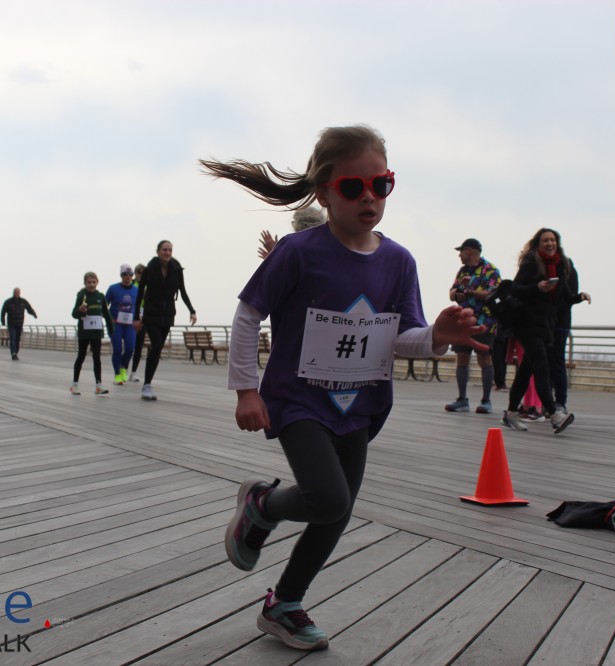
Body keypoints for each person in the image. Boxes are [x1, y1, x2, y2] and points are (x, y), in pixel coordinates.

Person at [200, 125, 484, 651]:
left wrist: (438, 337)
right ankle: (263, 504)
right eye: (354, 187)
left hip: (361, 403)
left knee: (338, 511)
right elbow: (249, 313)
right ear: (324, 193)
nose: (369, 198)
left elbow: (402, 336)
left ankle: (284, 604)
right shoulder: (298, 252)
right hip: (297, 400)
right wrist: (245, 389)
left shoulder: (399, 262)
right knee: (328, 498)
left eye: (382, 184)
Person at [501, 228, 578, 434]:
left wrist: (579, 297)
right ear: (538, 244)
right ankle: (554, 414)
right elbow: (516, 288)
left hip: (545, 326)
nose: (550, 244)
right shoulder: (531, 262)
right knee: (542, 368)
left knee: (525, 372)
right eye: (546, 240)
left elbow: (566, 295)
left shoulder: (560, 264)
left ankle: (511, 413)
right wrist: (537, 287)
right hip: (527, 324)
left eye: (553, 240)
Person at [133, 242, 197, 401]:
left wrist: (192, 310)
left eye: (170, 250)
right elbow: (140, 294)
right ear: (158, 251)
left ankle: (147, 383)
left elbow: (183, 291)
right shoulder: (149, 269)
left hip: (168, 314)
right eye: (164, 250)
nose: (167, 253)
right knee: (156, 345)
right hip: (151, 313)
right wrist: (136, 317)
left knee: (158, 348)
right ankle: (147, 385)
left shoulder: (176, 269)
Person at [444, 238, 501, 414]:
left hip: (485, 321)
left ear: (469, 251)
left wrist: (470, 291)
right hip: (463, 320)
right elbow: (452, 293)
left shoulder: (490, 270)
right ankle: (462, 399)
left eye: (461, 251)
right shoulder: (462, 271)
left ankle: (486, 401)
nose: (459, 256)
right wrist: (459, 291)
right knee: (462, 357)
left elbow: (491, 293)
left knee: (485, 358)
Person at [548, 258, 592, 410]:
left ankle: (560, 401)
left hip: (559, 323)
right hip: (548, 323)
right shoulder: (546, 267)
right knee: (547, 362)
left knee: (556, 362)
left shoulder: (567, 268)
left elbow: (569, 298)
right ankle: (548, 401)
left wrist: (579, 297)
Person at [70, 272, 114, 396]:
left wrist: (111, 329)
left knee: (97, 357)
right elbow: (74, 314)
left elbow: (106, 314)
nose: (91, 285)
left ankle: (98, 385)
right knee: (81, 356)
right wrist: (80, 310)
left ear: (97, 282)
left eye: (94, 282)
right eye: (89, 282)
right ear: (85, 283)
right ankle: (75, 384)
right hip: (84, 332)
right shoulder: (81, 296)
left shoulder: (100, 296)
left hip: (96, 332)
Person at [105, 264, 139, 384]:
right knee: (118, 349)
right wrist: (106, 318)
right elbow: (104, 304)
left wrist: (140, 317)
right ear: (121, 275)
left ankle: (123, 367)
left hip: (129, 324)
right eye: (125, 274)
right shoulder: (113, 288)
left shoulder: (136, 290)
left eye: (130, 274)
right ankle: (117, 374)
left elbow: (140, 306)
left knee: (130, 348)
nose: (128, 277)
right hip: (115, 323)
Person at [257, 206, 326, 259]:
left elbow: (288, 270)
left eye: (294, 222)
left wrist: (275, 254)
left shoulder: (293, 244)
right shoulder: (327, 244)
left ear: (300, 224)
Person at [0, 287, 37, 361]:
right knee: (13, 338)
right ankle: (13, 353)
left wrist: (34, 314)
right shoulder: (8, 302)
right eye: (15, 292)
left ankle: (16, 352)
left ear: (20, 293)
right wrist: (3, 321)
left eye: (18, 292)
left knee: (17, 339)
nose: (16, 293)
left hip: (19, 323)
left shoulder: (23, 301)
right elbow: (3, 312)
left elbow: (29, 308)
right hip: (11, 323)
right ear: (13, 293)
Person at [127, 263, 146, 383]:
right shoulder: (131, 284)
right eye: (139, 273)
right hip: (131, 316)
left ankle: (133, 373)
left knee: (139, 346)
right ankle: (123, 369)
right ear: (135, 273)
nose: (141, 275)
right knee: (129, 346)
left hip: (143, 318)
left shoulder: (149, 285)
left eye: (143, 273)